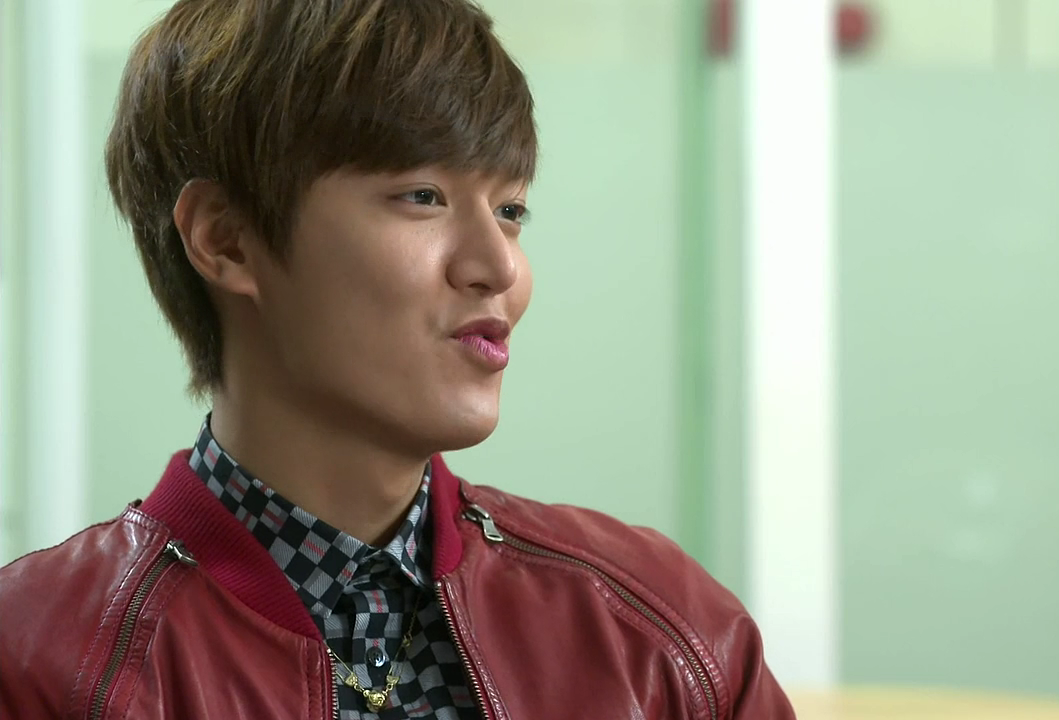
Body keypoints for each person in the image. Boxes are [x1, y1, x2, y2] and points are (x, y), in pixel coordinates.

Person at [0, 1, 794, 718]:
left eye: (511, 209)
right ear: (227, 239)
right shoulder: (40, 664)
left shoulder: (661, 638)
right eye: (423, 197)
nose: (499, 266)